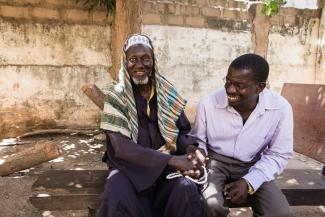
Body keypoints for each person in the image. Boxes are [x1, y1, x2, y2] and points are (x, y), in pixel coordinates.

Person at [98, 34, 204, 217]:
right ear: (125, 63)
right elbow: (121, 147)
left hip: (165, 172)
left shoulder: (167, 93)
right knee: (116, 192)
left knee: (185, 190)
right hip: (129, 170)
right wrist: (171, 160)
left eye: (145, 59)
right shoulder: (115, 95)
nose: (139, 65)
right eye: (133, 59)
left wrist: (192, 149)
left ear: (153, 62)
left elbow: (180, 132)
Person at [191, 53, 293, 217]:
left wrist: (249, 181)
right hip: (215, 162)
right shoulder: (208, 103)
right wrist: (199, 155)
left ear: (259, 87)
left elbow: (279, 153)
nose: (230, 89)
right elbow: (198, 142)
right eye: (228, 81)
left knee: (279, 212)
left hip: (253, 164)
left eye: (239, 85)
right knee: (210, 204)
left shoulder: (280, 108)